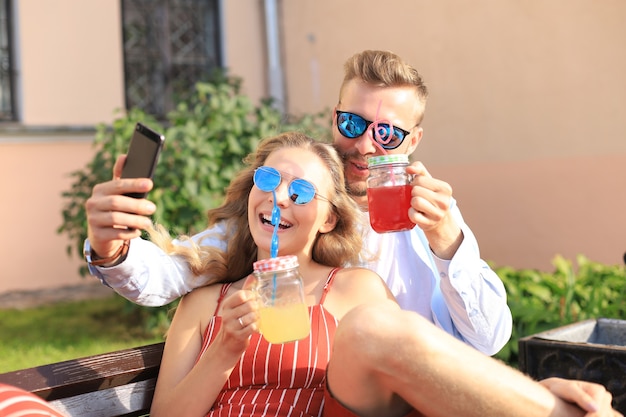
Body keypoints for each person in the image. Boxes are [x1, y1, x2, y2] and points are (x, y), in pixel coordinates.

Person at [146, 132, 620, 417]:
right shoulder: (206, 303)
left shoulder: (355, 288)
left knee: (373, 327)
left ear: (330, 218)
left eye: (303, 189)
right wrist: (224, 350)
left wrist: (525, 395)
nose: (280, 197)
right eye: (269, 181)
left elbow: (417, 376)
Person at [83, 49, 511, 356]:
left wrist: (448, 242)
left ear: (413, 140)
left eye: (388, 133)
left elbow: (488, 338)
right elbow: (169, 273)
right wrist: (111, 247)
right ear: (334, 116)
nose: (364, 145)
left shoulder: (432, 218)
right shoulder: (289, 203)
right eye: (353, 123)